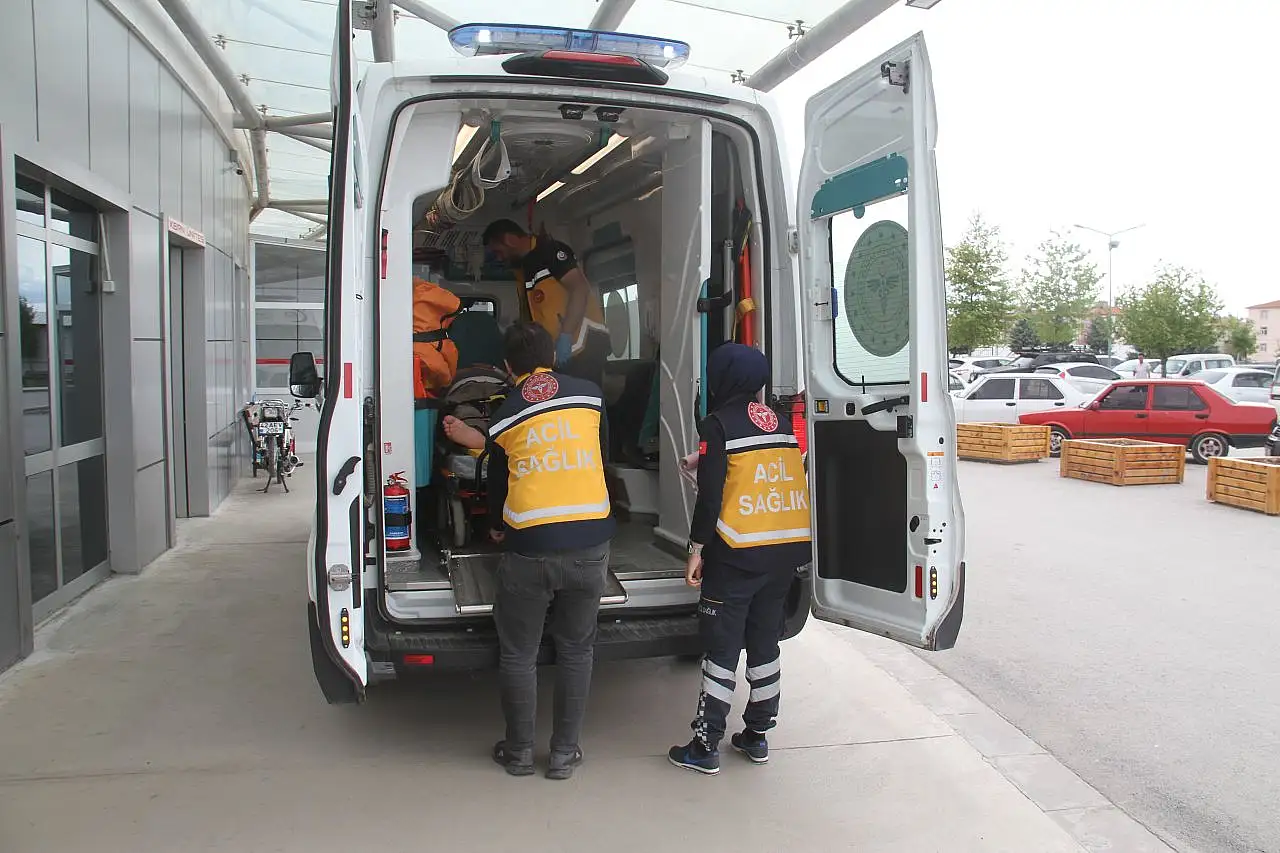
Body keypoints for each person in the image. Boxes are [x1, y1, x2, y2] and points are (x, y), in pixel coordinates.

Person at [442, 323, 615, 780]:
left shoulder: (505, 413)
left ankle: (519, 752)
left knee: (519, 653)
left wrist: (498, 528)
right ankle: (564, 754)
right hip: (590, 542)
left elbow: (497, 482)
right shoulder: (590, 395)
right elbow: (603, 457)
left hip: (531, 547)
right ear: (552, 358)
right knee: (576, 649)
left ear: (507, 367)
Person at [667, 343, 812, 775]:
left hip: (736, 554)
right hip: (783, 551)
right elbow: (764, 470)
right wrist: (707, 458)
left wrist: (696, 549)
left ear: (721, 379)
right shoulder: (780, 422)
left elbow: (711, 497)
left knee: (722, 648)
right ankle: (757, 735)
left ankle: (705, 744)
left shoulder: (718, 424)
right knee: (765, 644)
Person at [482, 219, 611, 389]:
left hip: (584, 343)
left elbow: (579, 288)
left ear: (510, 240)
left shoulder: (550, 252)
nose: (500, 258)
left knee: (585, 399)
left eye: (498, 252)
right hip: (560, 350)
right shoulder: (525, 268)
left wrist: (566, 334)